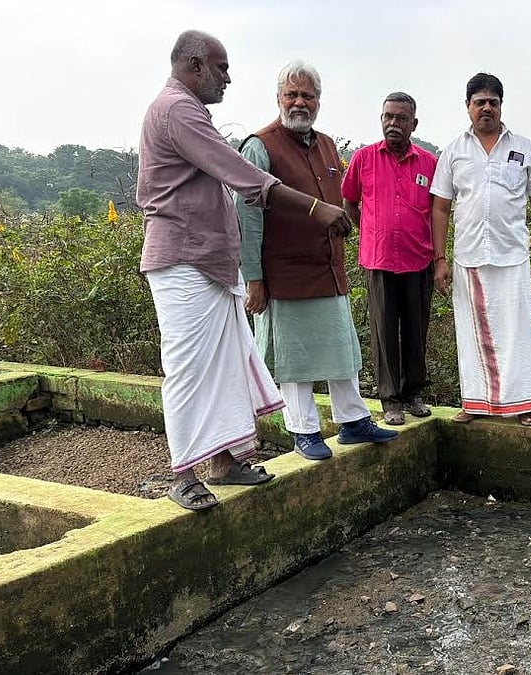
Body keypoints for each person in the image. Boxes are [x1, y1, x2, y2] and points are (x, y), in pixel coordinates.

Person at [138, 31, 352, 510]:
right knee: (190, 368)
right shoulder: (177, 109)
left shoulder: (187, 109)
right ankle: (185, 473)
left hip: (208, 261)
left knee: (226, 363)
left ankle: (224, 462)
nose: (228, 78)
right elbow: (244, 176)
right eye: (222, 67)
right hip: (183, 258)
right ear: (195, 64)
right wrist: (316, 208)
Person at [236, 60, 397, 461]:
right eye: (292, 95)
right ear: (278, 98)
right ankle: (304, 430)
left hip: (328, 269)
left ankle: (353, 420)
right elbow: (247, 216)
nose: (300, 103)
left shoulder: (326, 144)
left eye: (308, 95)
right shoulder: (261, 145)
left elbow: (339, 197)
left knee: (341, 350)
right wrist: (254, 279)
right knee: (294, 360)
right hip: (284, 272)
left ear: (318, 101)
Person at [429, 73, 531, 427]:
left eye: (492, 102)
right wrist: (439, 260)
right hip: (468, 256)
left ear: (501, 105)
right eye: (479, 102)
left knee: (518, 331)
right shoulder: (454, 151)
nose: (486, 108)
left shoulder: (523, 148)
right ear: (467, 107)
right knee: (471, 331)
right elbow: (440, 208)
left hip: (512, 254)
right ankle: (475, 402)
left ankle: (526, 403)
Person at [342, 93, 438, 426]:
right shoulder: (363, 159)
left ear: (414, 124)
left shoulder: (429, 164)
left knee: (415, 328)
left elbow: (439, 210)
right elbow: (350, 202)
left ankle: (413, 393)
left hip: (418, 259)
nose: (393, 124)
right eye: (388, 117)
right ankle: (390, 399)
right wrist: (370, 231)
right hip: (379, 258)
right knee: (384, 331)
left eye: (400, 118)